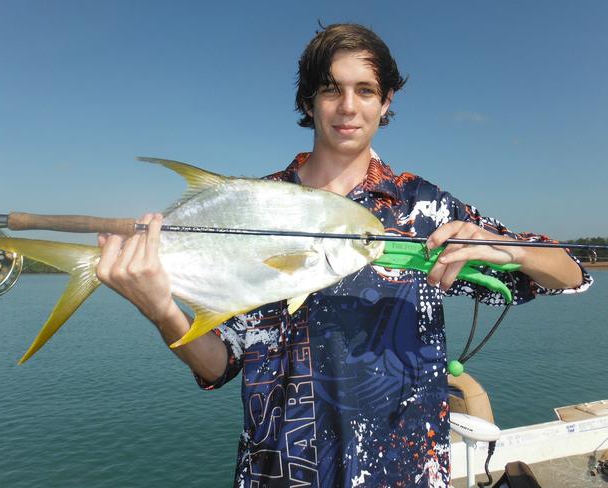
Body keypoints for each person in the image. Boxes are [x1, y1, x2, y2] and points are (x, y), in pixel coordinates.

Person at [95, 23, 591, 488]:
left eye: (365, 90)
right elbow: (217, 364)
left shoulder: (423, 207)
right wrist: (160, 309)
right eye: (331, 89)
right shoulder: (255, 204)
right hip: (281, 471)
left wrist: (499, 246)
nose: (348, 107)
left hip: (407, 470)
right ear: (308, 102)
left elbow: (567, 275)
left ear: (385, 101)